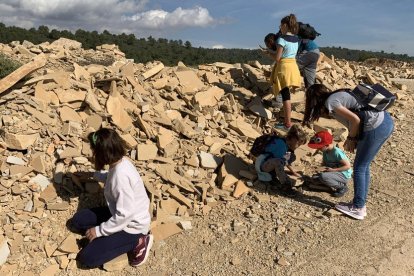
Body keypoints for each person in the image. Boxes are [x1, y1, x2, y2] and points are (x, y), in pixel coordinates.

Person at [302, 84, 394, 220]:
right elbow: (357, 117)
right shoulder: (339, 94)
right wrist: (356, 138)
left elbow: (355, 120)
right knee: (364, 165)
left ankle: (358, 208)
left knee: (359, 168)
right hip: (385, 122)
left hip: (375, 127)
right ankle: (359, 203)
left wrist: (351, 138)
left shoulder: (331, 102)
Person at [70, 128, 153, 268]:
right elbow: (111, 177)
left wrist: (99, 231)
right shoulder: (121, 162)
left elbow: (125, 214)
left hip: (132, 227)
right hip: (119, 213)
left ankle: (139, 241)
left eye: (94, 151)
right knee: (78, 221)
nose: (92, 154)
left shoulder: (121, 178)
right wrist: (93, 176)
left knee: (87, 258)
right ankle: (108, 237)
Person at [267, 14, 302, 130]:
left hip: (284, 68)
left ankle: (287, 123)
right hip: (293, 67)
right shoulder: (297, 39)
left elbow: (278, 58)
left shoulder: (281, 39)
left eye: (281, 25)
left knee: (285, 96)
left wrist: (268, 53)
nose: (280, 27)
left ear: (285, 25)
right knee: (287, 95)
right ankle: (287, 121)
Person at [255, 124, 307, 191]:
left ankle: (274, 177)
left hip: (267, 163)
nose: (298, 146)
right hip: (262, 165)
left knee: (291, 156)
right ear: (294, 139)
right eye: (298, 144)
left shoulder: (285, 144)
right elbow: (279, 161)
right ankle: (286, 185)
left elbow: (283, 160)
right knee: (279, 161)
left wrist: (293, 171)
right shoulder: (281, 145)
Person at [307, 130, 352, 197]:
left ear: (326, 145)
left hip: (343, 174)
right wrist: (321, 169)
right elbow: (325, 164)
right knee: (314, 178)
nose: (318, 149)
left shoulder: (336, 152)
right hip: (333, 172)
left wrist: (333, 170)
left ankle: (342, 187)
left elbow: (348, 166)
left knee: (323, 177)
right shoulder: (325, 151)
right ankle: (328, 182)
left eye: (319, 147)